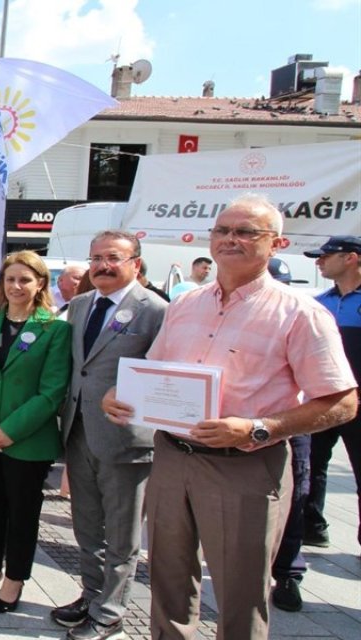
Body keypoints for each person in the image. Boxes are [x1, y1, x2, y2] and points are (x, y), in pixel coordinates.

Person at [102, 194, 357, 639]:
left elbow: (342, 402)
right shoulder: (186, 304)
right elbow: (156, 371)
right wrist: (118, 393)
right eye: (223, 230)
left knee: (240, 593)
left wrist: (261, 428)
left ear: (276, 243)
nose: (230, 240)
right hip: (172, 457)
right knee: (167, 581)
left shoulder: (301, 312)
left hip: (245, 465)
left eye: (246, 232)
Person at [50, 231, 166, 640]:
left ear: (135, 263)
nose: (102, 265)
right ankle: (92, 594)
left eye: (113, 257)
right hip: (78, 430)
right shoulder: (80, 305)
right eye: (96, 257)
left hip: (125, 438)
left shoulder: (156, 310)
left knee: (121, 533)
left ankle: (111, 613)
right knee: (85, 524)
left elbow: (164, 373)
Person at [0, 250, 72, 614]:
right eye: (10, 279)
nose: (16, 286)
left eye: (25, 279)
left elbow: (52, 391)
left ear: (40, 283)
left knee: (22, 513)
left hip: (26, 442)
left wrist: (9, 431)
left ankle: (15, 578)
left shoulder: (55, 329)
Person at [302, 236, 361, 553]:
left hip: (357, 405)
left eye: (327, 255)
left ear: (351, 258)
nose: (319, 261)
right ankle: (312, 527)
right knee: (310, 466)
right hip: (323, 402)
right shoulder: (319, 302)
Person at [265, 258, 312, 612]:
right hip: (229, 435)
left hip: (288, 424)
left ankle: (287, 574)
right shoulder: (201, 309)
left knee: (295, 496)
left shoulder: (302, 313)